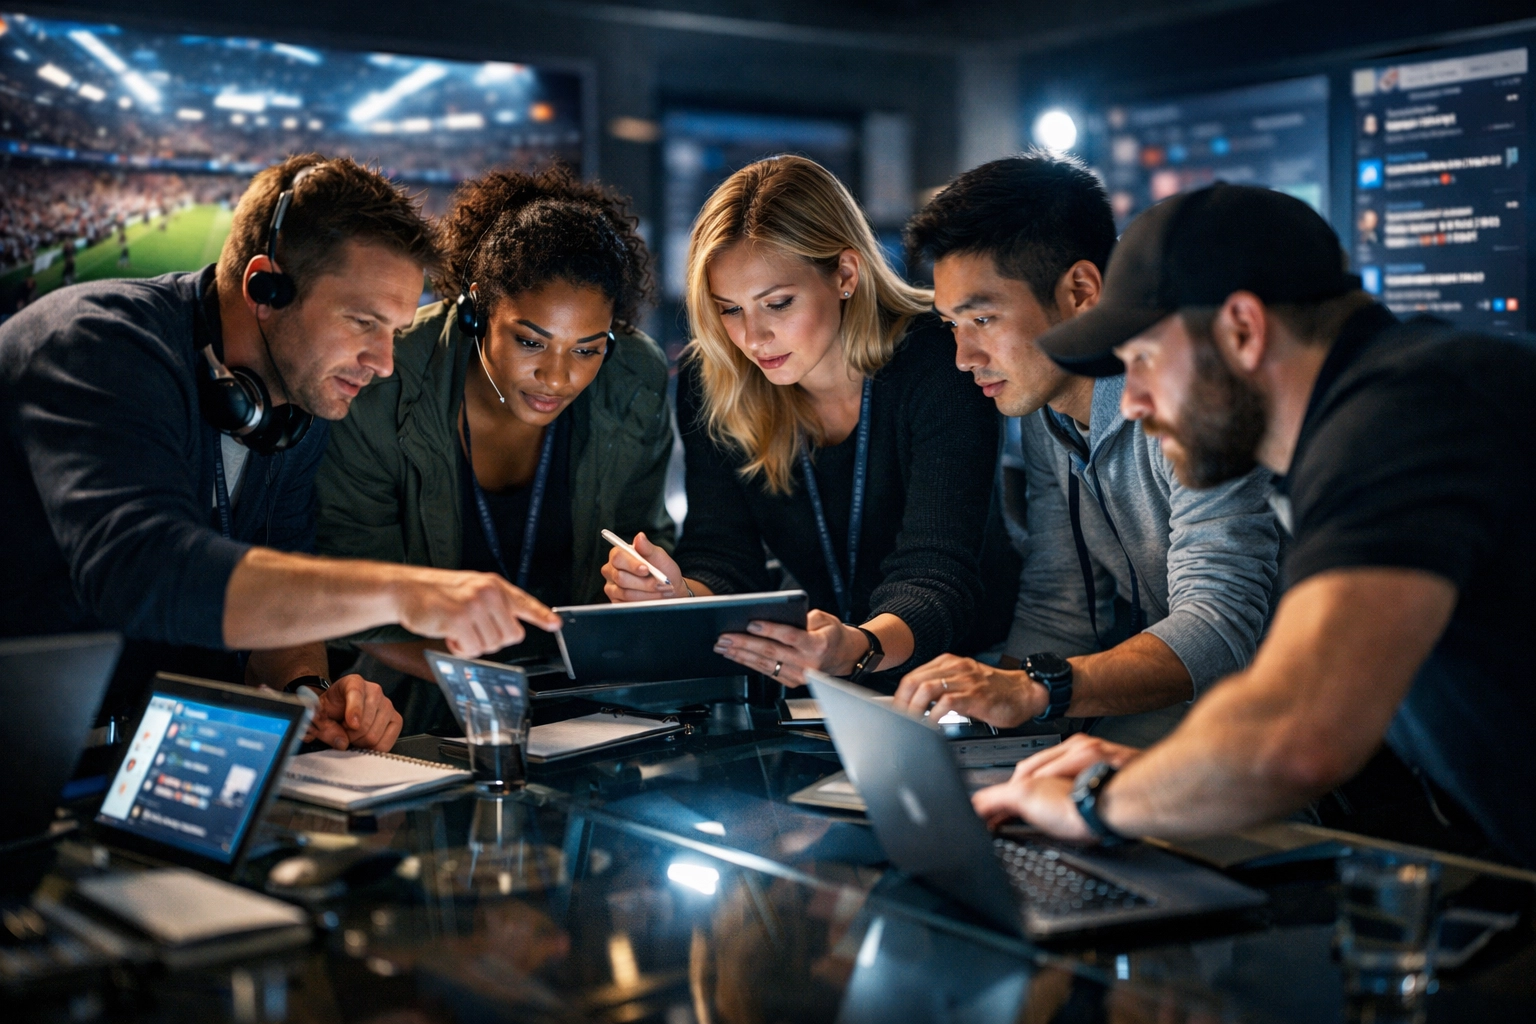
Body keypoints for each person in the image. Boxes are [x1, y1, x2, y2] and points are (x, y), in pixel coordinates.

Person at [973, 182, 1536, 868]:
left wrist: (1095, 803)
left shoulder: (1405, 415)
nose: (1136, 402)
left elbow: (1296, 735)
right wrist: (1162, 774)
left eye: (1143, 359)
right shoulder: (1367, 415)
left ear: (1242, 329)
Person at [0, 155, 560, 754]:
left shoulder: (297, 406)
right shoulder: (97, 345)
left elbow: (282, 575)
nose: (382, 363)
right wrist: (406, 592)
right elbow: (146, 572)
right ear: (264, 287)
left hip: (145, 756)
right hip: (31, 754)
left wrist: (307, 690)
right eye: (362, 321)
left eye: (393, 332)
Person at [892, 155, 1280, 746]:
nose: (963, 358)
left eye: (984, 318)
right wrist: (990, 728)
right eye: (952, 325)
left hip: (1279, 716)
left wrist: (1035, 690)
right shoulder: (1043, 405)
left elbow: (1218, 625)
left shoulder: (1186, 392)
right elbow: (1060, 604)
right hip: (1182, 705)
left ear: (1080, 292)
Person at [602, 155, 1005, 687]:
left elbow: (938, 574)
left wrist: (855, 648)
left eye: (778, 304)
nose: (753, 338)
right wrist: (677, 594)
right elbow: (724, 555)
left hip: (966, 678)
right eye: (729, 309)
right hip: (821, 679)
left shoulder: (938, 360)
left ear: (845, 275)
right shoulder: (716, 375)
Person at [316, 165, 672, 699]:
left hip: (585, 700)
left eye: (587, 350)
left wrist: (646, 582)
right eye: (531, 342)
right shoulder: (385, 381)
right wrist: (500, 690)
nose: (558, 377)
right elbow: (348, 586)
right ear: (478, 308)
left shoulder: (634, 377)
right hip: (409, 703)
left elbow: (647, 537)